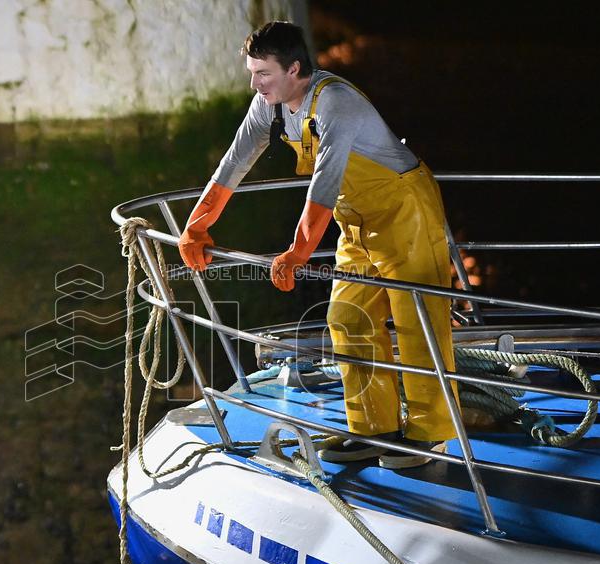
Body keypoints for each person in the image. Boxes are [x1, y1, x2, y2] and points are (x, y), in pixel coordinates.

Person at [177, 20, 459, 469]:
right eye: (252, 73)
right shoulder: (268, 106)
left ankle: (430, 434)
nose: (255, 83)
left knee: (418, 322)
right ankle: (373, 428)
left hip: (406, 213)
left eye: (263, 74)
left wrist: (297, 253)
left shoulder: (336, 103)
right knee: (347, 318)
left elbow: (323, 189)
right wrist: (196, 225)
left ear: (294, 69)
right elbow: (234, 163)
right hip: (357, 222)